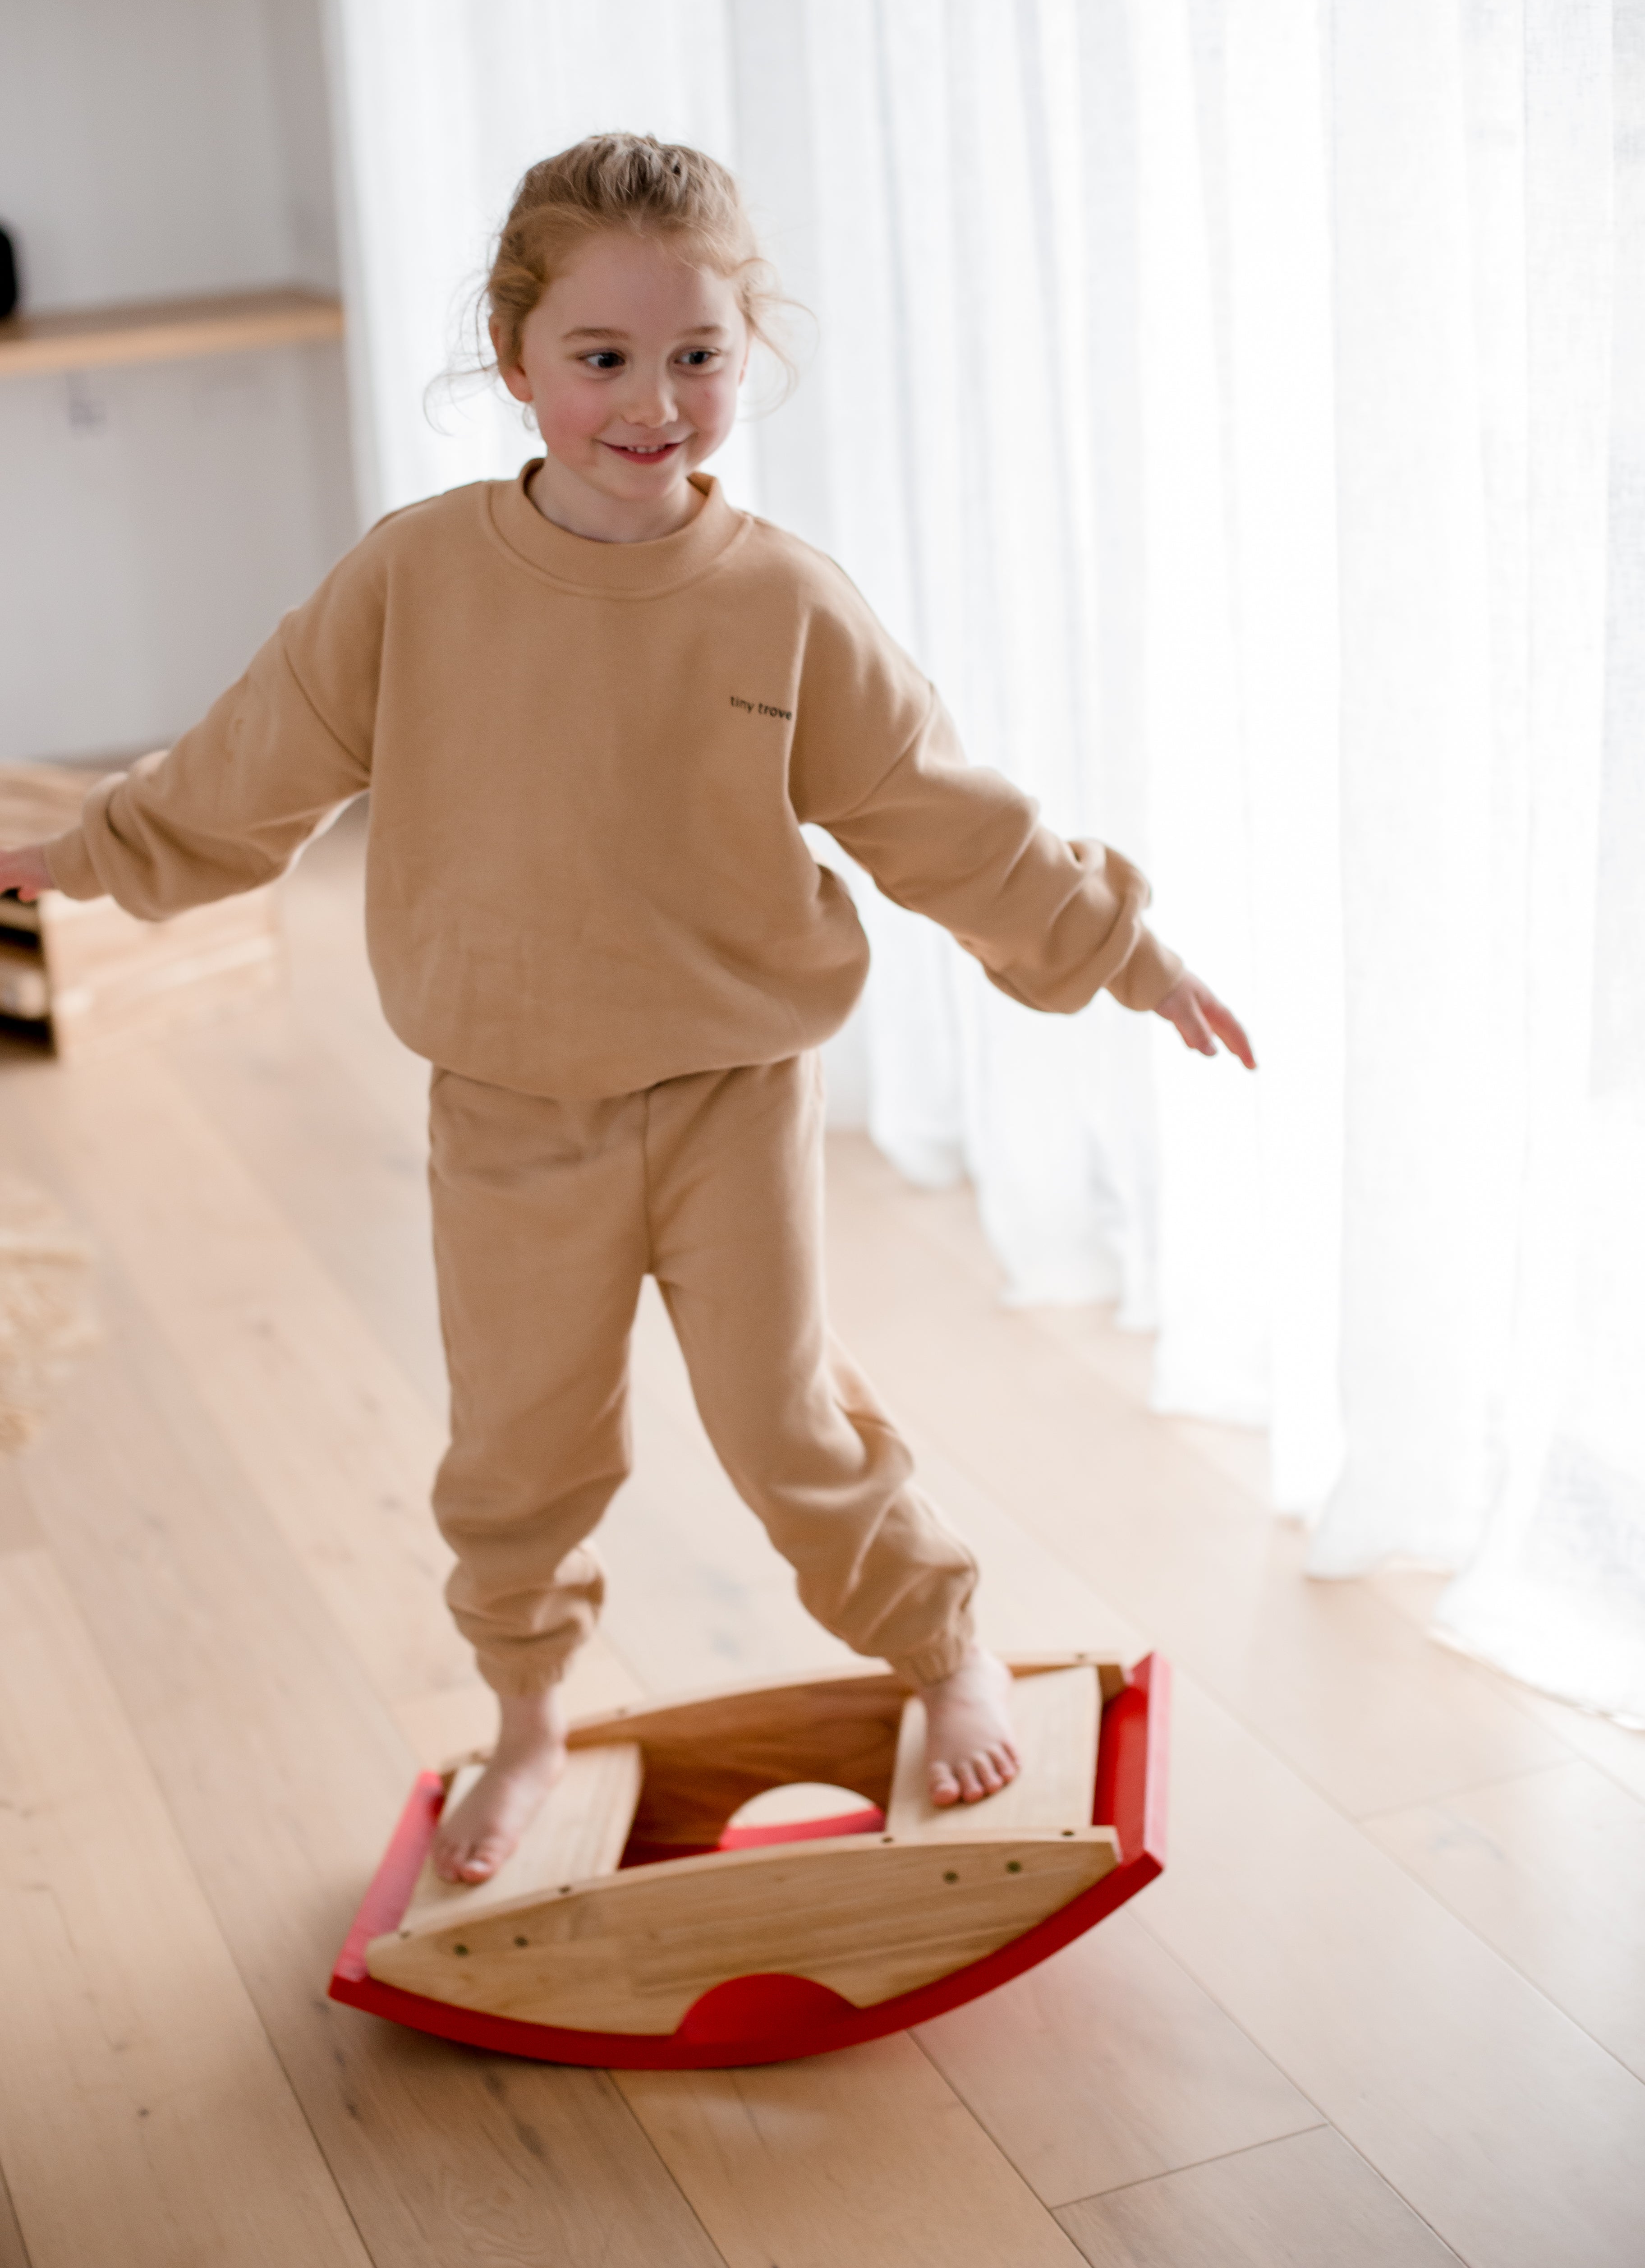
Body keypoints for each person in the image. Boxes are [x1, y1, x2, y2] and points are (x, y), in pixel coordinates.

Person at [0, 135, 1253, 1887]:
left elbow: (942, 816)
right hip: (508, 1112)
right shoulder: (416, 580)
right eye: (602, 358)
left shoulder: (786, 604)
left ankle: (941, 1645)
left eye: (698, 357)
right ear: (514, 360)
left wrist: (1125, 946)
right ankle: (525, 1717)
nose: (651, 402)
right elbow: (257, 752)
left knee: (787, 1421)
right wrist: (95, 850)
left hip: (734, 1093)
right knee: (518, 1457)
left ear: (748, 355)